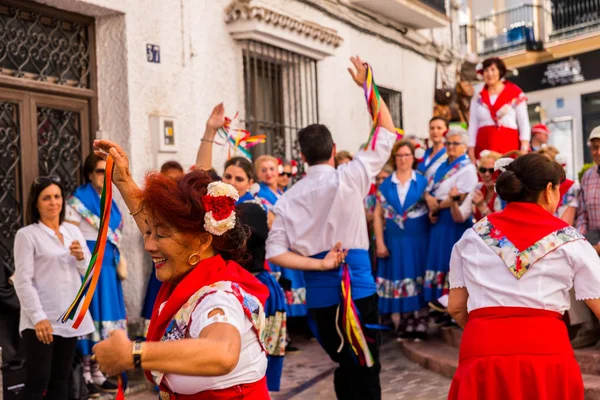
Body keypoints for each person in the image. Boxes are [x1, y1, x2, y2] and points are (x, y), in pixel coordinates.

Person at [91, 140, 346, 398]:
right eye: (149, 233)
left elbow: (223, 352)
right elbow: (153, 222)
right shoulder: (199, 274)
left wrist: (133, 353)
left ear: (202, 242)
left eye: (160, 235)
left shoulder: (218, 297)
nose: (149, 245)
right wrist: (123, 180)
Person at [266, 55, 397, 400]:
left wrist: (319, 264)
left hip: (321, 296)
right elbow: (386, 131)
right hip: (358, 289)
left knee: (347, 364)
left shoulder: (288, 199)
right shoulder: (351, 176)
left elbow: (275, 253)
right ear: (334, 150)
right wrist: (368, 86)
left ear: (302, 155)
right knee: (366, 365)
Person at [447, 153, 600, 399]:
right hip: (546, 354)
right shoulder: (571, 240)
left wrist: (491, 335)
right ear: (549, 190)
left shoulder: (471, 237)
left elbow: (455, 307)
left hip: (483, 351)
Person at [195, 104, 288, 391]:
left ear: (250, 183)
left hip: (254, 289)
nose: (231, 182)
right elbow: (201, 176)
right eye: (227, 177)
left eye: (238, 179)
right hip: (227, 286)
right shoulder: (219, 207)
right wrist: (210, 130)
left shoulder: (255, 210)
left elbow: (231, 224)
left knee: (251, 365)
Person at [13, 176, 95, 399]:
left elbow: (88, 275)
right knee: (37, 382)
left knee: (62, 380)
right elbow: (23, 280)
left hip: (68, 317)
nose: (53, 202)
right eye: (46, 198)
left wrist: (80, 258)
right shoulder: (27, 235)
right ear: (36, 203)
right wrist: (38, 317)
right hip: (42, 320)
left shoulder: (73, 232)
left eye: (57, 197)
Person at [65, 154, 124, 394]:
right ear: (89, 174)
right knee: (90, 316)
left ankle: (100, 371)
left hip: (108, 265)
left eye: (107, 172)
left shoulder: (111, 199)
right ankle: (86, 374)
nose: (104, 176)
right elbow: (70, 234)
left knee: (106, 317)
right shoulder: (78, 201)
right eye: (100, 171)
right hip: (89, 265)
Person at [374, 140, 429, 338]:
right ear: (394, 158)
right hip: (395, 239)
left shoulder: (423, 181)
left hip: (419, 238)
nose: (403, 159)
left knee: (418, 275)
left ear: (413, 158)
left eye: (407, 155)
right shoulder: (387, 184)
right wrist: (379, 242)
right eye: (399, 155)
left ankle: (421, 319)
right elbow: (379, 216)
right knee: (400, 275)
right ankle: (405, 319)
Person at [424, 128, 477, 303]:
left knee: (450, 261)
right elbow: (429, 186)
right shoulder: (442, 165)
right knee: (438, 260)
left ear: (464, 146)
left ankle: (453, 304)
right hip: (438, 219)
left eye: (455, 143)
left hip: (454, 220)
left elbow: (460, 195)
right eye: (448, 143)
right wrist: (428, 198)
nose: (451, 147)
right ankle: (438, 302)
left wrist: (437, 206)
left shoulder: (467, 168)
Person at [141, 160, 185, 338]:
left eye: (177, 180)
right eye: (167, 180)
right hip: (161, 271)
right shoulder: (152, 208)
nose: (172, 184)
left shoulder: (187, 210)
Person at [467, 57, 531, 162]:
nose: (489, 74)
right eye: (486, 70)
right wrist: (471, 149)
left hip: (508, 143)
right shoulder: (478, 95)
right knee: (485, 175)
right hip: (483, 143)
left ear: (500, 72)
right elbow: (473, 123)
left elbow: (523, 122)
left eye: (493, 70)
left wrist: (524, 148)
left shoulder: (514, 92)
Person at [472, 150, 503, 221]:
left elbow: (499, 224)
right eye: (483, 170)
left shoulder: (504, 194)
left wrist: (482, 207)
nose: (487, 174)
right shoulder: (478, 189)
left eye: (492, 170)